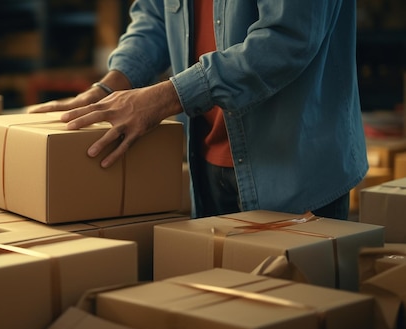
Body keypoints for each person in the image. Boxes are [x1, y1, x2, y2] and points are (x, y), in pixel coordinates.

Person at [28, 0, 368, 221]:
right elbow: (154, 17)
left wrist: (165, 97)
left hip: (293, 169)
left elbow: (286, 40)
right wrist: (110, 85)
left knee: (293, 325)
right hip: (206, 163)